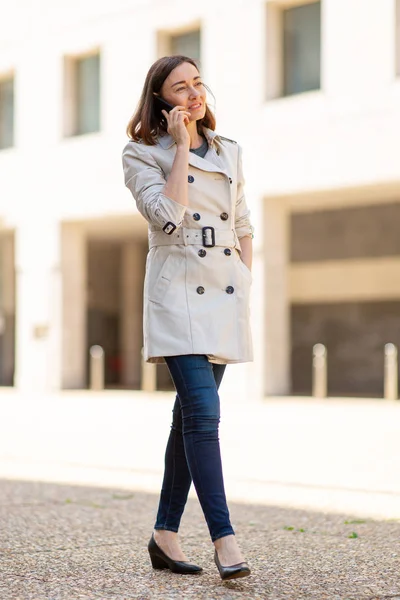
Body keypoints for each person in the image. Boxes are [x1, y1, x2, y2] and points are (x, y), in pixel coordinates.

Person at [122, 55, 254, 581]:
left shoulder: (231, 152)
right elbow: (168, 216)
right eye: (180, 88)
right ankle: (225, 538)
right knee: (204, 413)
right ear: (161, 101)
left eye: (197, 83)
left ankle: (163, 535)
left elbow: (242, 220)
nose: (194, 94)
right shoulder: (140, 154)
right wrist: (178, 147)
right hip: (177, 296)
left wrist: (245, 279)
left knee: (188, 420)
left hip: (223, 293)